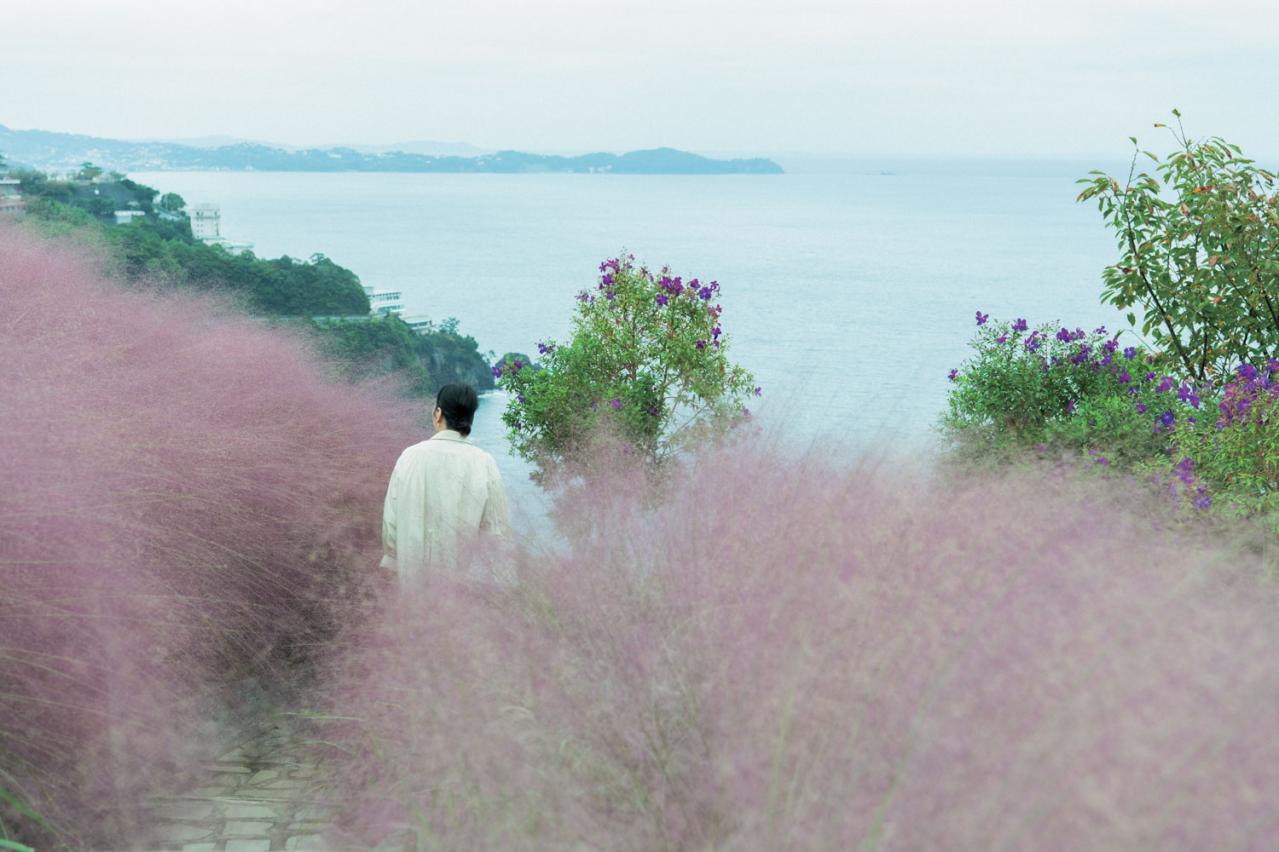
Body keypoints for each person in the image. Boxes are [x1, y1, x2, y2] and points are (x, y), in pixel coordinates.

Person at [380, 383, 511, 584]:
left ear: (438, 413)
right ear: (471, 418)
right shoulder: (484, 463)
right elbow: (496, 534)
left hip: (411, 587)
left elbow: (391, 526)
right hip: (461, 592)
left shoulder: (409, 457)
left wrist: (393, 565)